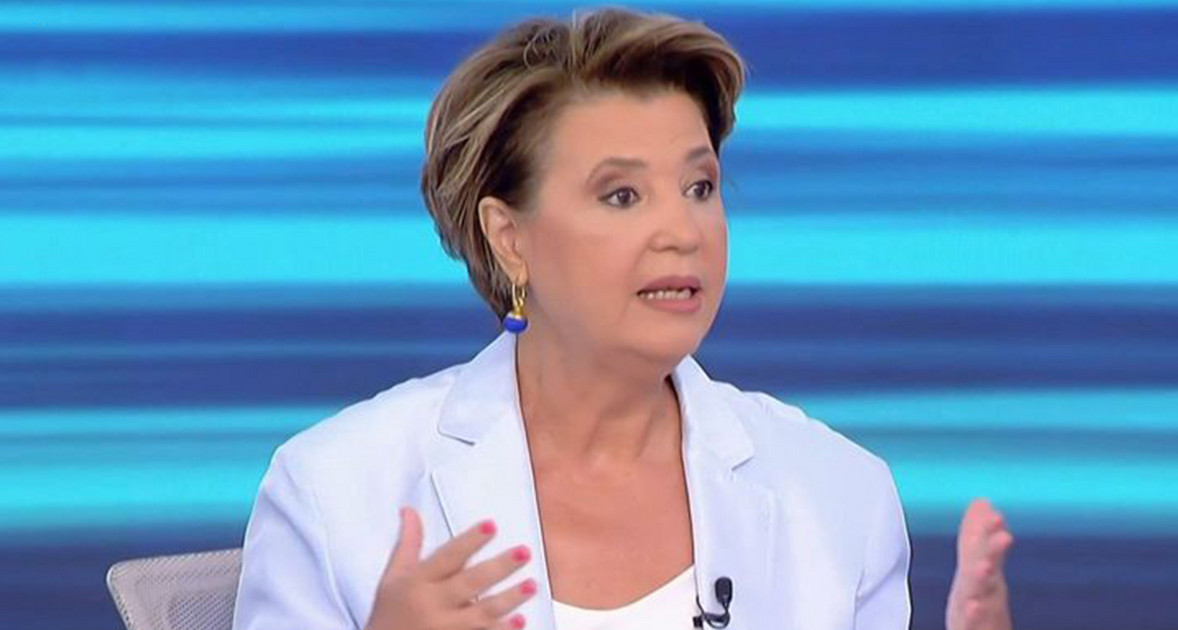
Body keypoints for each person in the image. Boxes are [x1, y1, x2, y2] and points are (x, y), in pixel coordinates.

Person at [231, 7, 1013, 630]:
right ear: (510, 239)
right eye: (622, 195)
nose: (683, 231)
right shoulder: (336, 492)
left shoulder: (837, 494)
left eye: (700, 187)